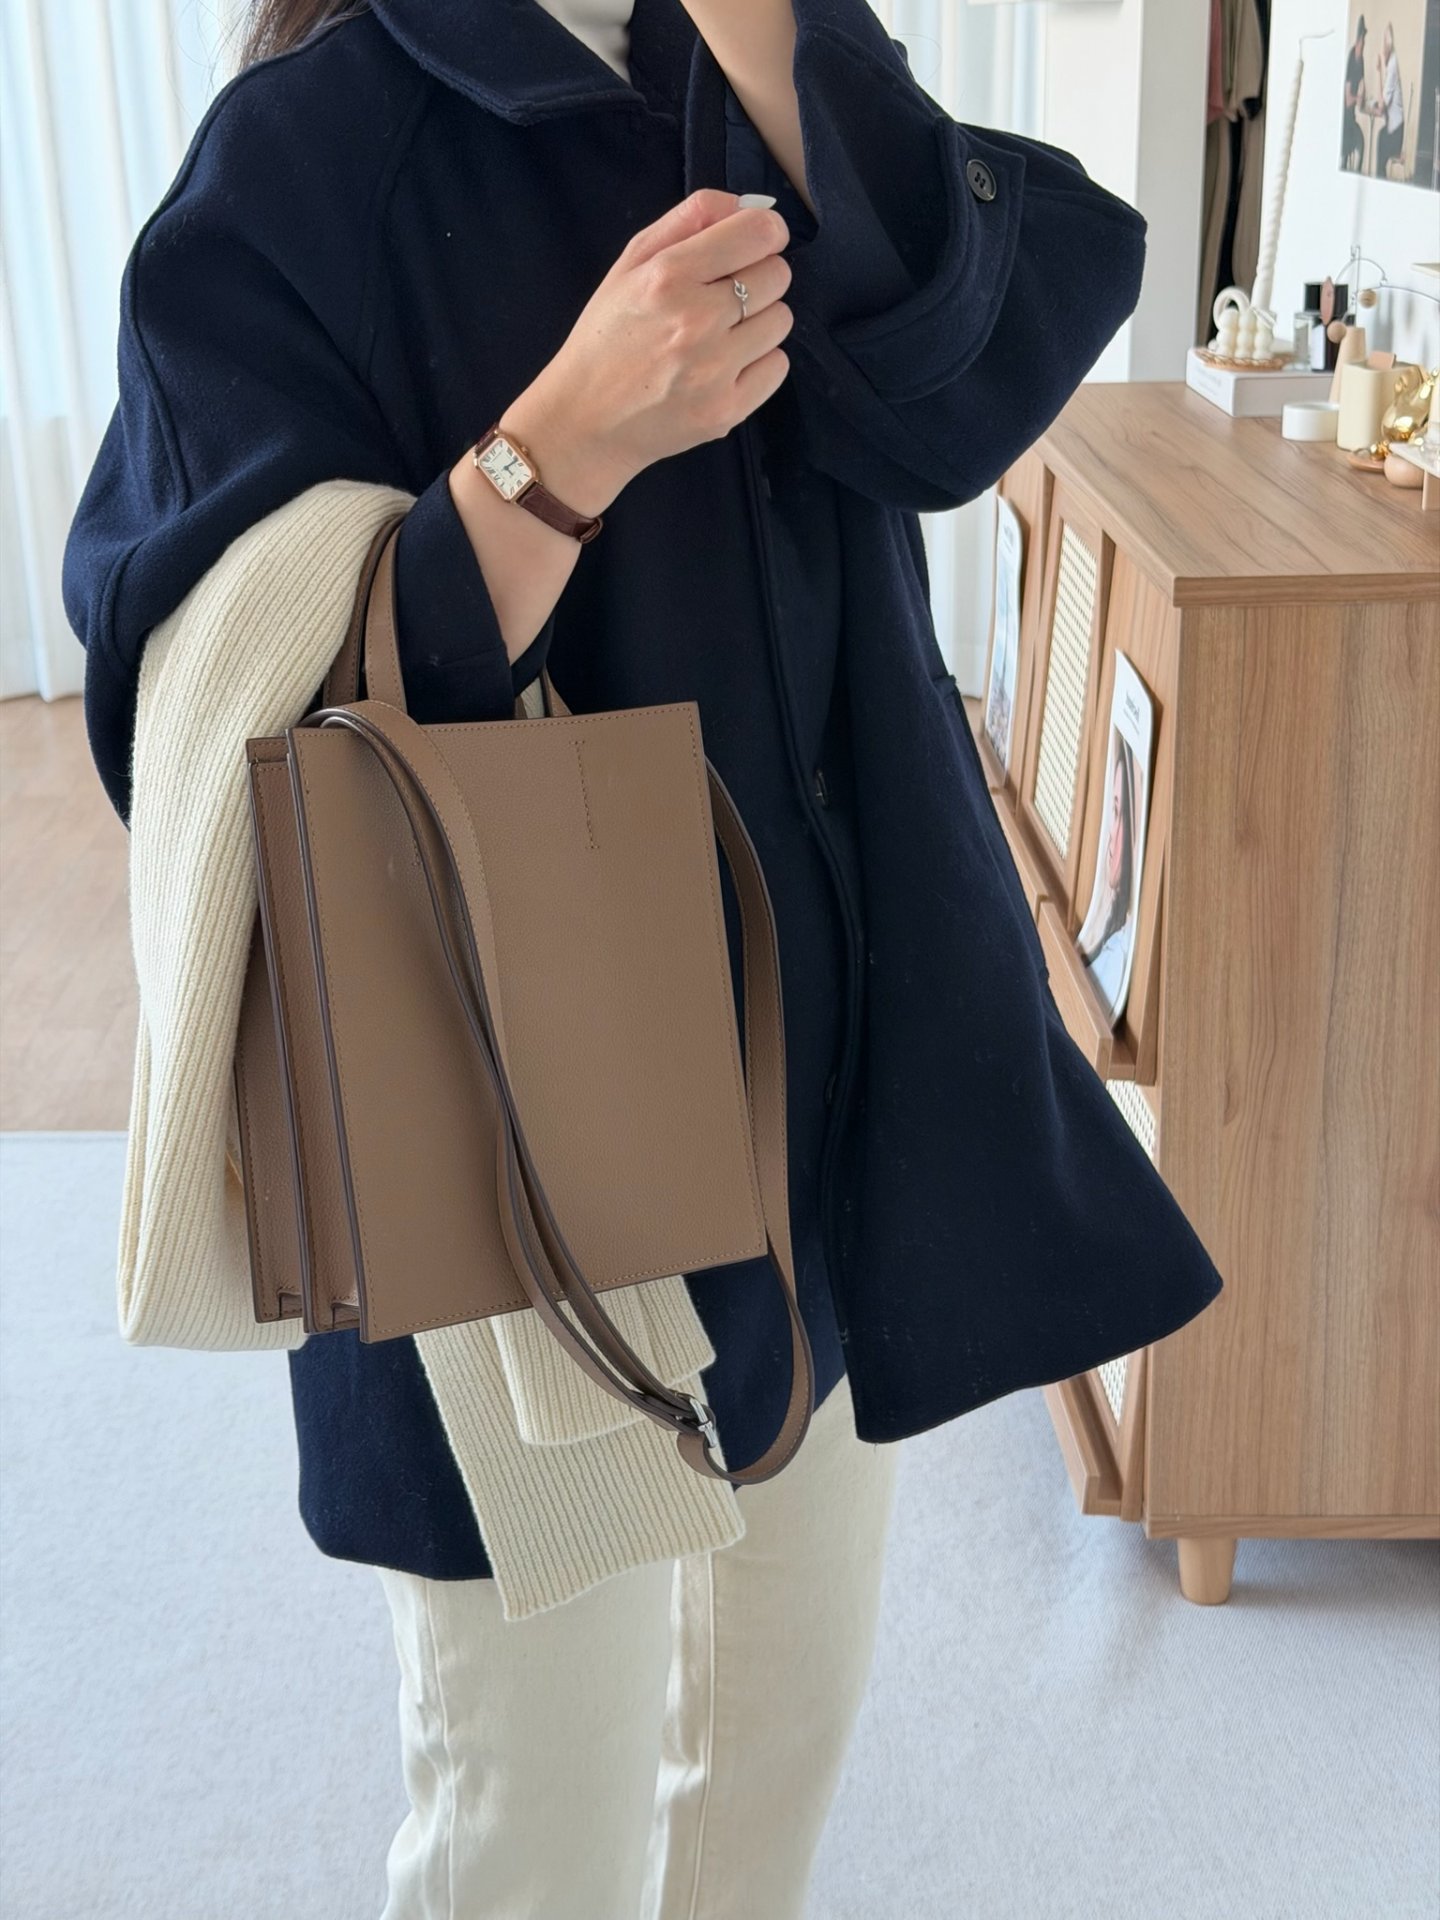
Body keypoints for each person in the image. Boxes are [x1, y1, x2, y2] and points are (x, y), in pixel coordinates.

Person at [61, 0, 1225, 1912]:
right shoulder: (315, 145)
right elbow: (205, 682)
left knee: (775, 1746)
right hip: (500, 1133)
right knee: (538, 1825)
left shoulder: (771, 61)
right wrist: (553, 456)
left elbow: (964, 406)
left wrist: (792, 62)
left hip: (820, 1084)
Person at [1374, 21, 1406, 177]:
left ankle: (1380, 180)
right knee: (1381, 137)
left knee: (1381, 139)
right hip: (1394, 128)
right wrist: (1380, 70)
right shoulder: (1392, 63)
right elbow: (1383, 100)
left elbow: (1381, 107)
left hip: (1396, 132)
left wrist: (1379, 71)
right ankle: (1380, 179)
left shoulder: (1392, 66)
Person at [1342, 15, 1368, 172]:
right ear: (1358, 41)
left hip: (1352, 117)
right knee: (1350, 147)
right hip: (1345, 119)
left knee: (1361, 144)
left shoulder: (1361, 60)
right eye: (1362, 41)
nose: (1363, 45)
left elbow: (1363, 83)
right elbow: (1347, 99)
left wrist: (1364, 95)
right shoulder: (1351, 60)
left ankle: (1357, 172)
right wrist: (1358, 98)